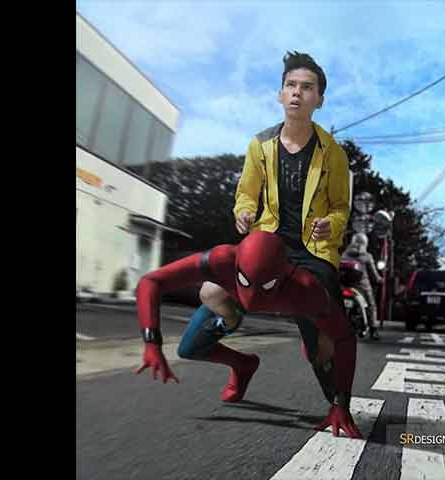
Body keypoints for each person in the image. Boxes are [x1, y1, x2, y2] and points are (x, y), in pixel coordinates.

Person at [135, 51, 361, 438]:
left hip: (311, 253)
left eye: (307, 88)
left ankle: (338, 403)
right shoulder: (260, 145)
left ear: (319, 99)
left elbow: (341, 206)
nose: (297, 93)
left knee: (320, 343)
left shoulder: (333, 153)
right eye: (291, 85)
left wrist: (332, 224)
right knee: (193, 338)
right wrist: (242, 211)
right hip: (264, 247)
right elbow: (245, 194)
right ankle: (241, 360)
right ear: (280, 94)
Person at [342, 233, 383, 340]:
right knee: (371, 305)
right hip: (362, 285)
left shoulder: (345, 254)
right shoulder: (367, 256)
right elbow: (373, 273)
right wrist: (379, 279)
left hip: (344, 285)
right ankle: (373, 330)